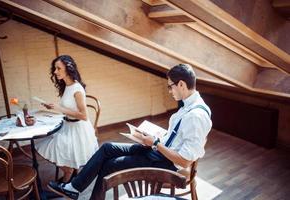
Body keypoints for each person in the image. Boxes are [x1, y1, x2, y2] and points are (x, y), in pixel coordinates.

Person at [48, 63, 212, 200]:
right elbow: (177, 138)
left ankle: (75, 189)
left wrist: (155, 143)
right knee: (107, 148)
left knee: (110, 164)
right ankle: (74, 187)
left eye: (170, 86)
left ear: (181, 84)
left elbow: (185, 161)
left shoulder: (195, 116)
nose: (170, 91)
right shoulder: (191, 105)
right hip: (160, 150)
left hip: (166, 164)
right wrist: (154, 138)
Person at [36, 55, 99, 183]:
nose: (55, 72)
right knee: (46, 143)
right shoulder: (67, 85)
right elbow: (68, 107)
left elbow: (84, 116)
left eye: (58, 68)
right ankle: (69, 174)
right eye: (55, 69)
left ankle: (68, 175)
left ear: (68, 69)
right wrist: (54, 107)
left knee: (50, 146)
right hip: (68, 125)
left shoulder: (77, 89)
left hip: (77, 129)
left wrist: (59, 108)